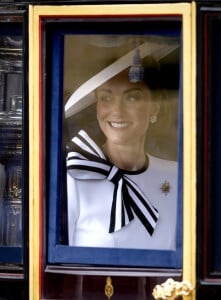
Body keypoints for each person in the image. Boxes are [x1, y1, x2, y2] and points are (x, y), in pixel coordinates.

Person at [65, 46, 178, 250]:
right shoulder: (75, 176)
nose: (117, 111)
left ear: (155, 106)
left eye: (132, 97)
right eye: (106, 98)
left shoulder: (178, 177)